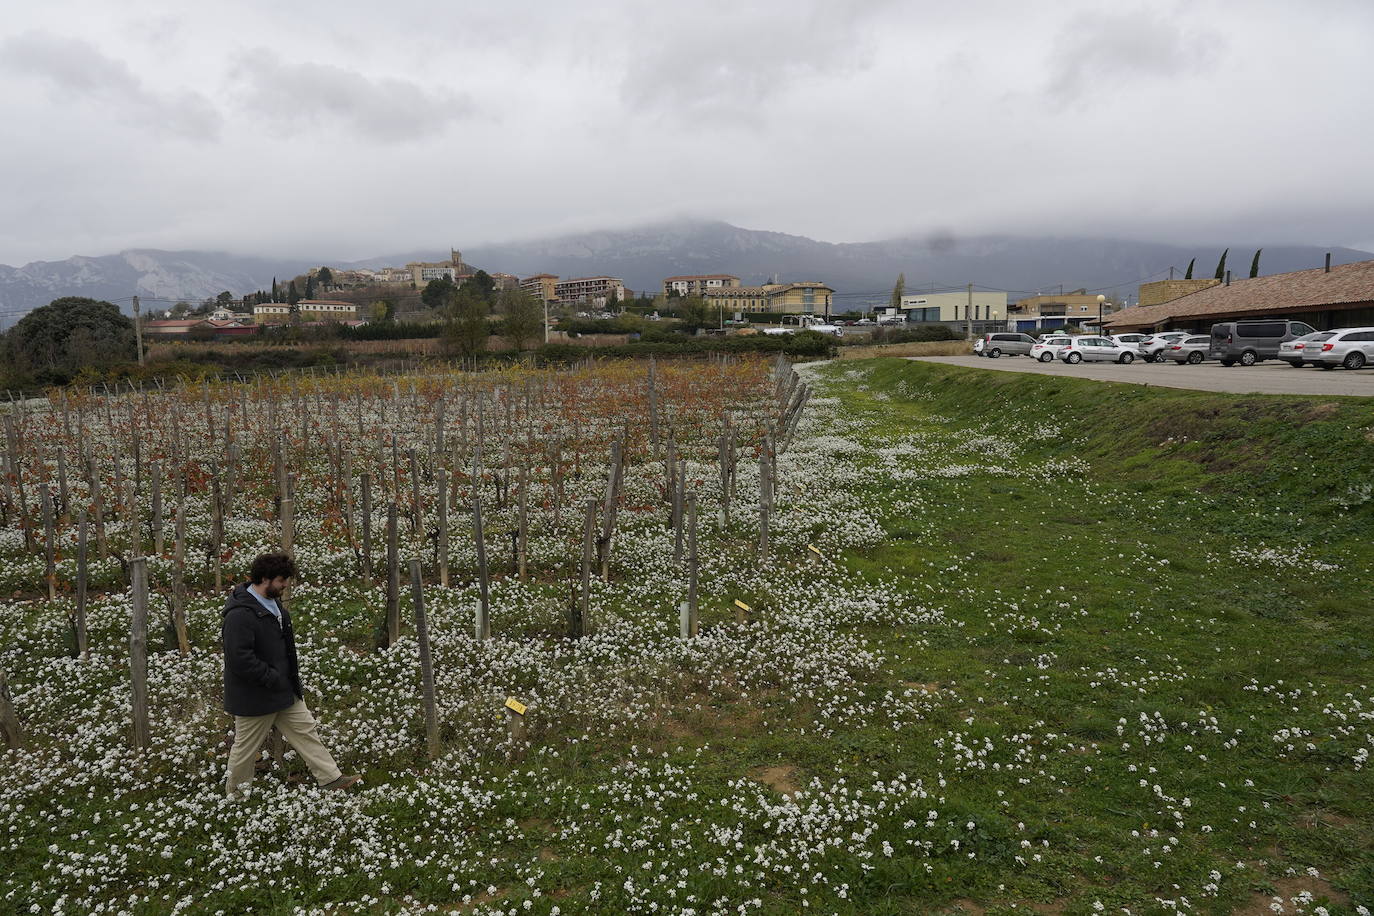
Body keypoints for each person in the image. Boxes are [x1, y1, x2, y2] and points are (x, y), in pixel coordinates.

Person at [222, 551, 360, 796]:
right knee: (244, 750)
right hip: (255, 696)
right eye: (281, 580)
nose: (285, 585)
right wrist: (271, 677)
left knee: (306, 730)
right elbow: (239, 659)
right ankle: (235, 798)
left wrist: (284, 680)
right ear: (264, 578)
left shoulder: (274, 605)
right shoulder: (240, 615)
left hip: (283, 690)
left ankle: (330, 778)